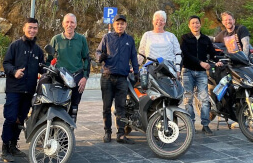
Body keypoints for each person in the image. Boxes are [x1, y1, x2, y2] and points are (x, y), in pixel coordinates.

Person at [1, 17, 45, 162]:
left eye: (35, 28)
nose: (32, 30)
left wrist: (50, 67)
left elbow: (42, 67)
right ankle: (5, 148)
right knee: (11, 118)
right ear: (24, 28)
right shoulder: (15, 46)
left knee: (20, 120)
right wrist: (14, 72)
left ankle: (14, 146)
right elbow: (6, 63)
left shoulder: (38, 50)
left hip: (29, 90)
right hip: (14, 89)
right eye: (30, 27)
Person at [96, 14, 139, 144]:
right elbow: (97, 53)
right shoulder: (107, 37)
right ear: (114, 25)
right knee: (106, 107)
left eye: (122, 23)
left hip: (122, 79)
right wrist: (100, 57)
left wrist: (136, 72)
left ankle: (120, 134)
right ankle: (107, 132)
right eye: (117, 23)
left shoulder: (129, 40)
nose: (120, 26)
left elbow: (134, 57)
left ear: (126, 25)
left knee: (121, 107)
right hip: (107, 77)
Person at [180, 15, 222, 136]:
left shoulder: (205, 39)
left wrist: (217, 60)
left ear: (200, 24)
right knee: (188, 99)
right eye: (192, 23)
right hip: (187, 71)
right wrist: (200, 62)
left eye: (197, 23)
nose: (195, 25)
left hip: (202, 73)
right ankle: (191, 124)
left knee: (204, 99)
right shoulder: (185, 38)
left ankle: (205, 124)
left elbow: (213, 53)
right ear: (189, 25)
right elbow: (185, 54)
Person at [49, 13, 90, 123]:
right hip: (60, 76)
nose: (69, 25)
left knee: (74, 106)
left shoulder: (81, 39)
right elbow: (49, 59)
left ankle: (70, 127)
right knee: (58, 104)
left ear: (76, 24)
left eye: (72, 22)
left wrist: (85, 77)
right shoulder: (56, 39)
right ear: (63, 24)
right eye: (67, 22)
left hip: (77, 75)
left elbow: (86, 59)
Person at [138, 10, 182, 77]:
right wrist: (135, 67)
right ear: (153, 21)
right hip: (151, 68)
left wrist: (178, 69)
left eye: (162, 20)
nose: (159, 22)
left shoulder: (171, 36)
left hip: (168, 69)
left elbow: (178, 53)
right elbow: (141, 54)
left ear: (164, 23)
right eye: (157, 19)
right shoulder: (147, 35)